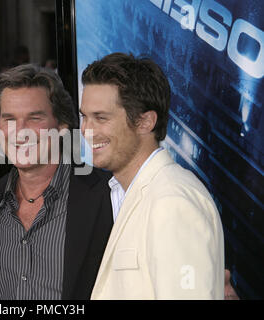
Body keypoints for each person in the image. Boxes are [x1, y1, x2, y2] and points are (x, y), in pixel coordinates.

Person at [80, 52, 225, 299]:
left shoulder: (172, 201)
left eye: (101, 118)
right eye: (84, 117)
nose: (86, 130)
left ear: (145, 122)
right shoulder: (121, 192)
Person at [0, 64, 113, 299]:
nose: (20, 132)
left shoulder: (104, 195)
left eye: (34, 118)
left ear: (61, 126)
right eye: (9, 119)